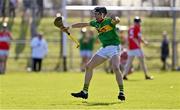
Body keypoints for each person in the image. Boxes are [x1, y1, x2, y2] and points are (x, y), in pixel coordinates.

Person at [62, 7, 125, 101]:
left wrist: (116, 19)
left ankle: (121, 92)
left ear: (102, 14)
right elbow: (83, 24)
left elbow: (117, 21)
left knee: (115, 68)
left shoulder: (109, 21)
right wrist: (69, 27)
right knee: (88, 67)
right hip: (104, 48)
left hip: (114, 47)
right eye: (94, 13)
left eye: (97, 13)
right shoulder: (95, 22)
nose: (95, 15)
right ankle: (84, 92)